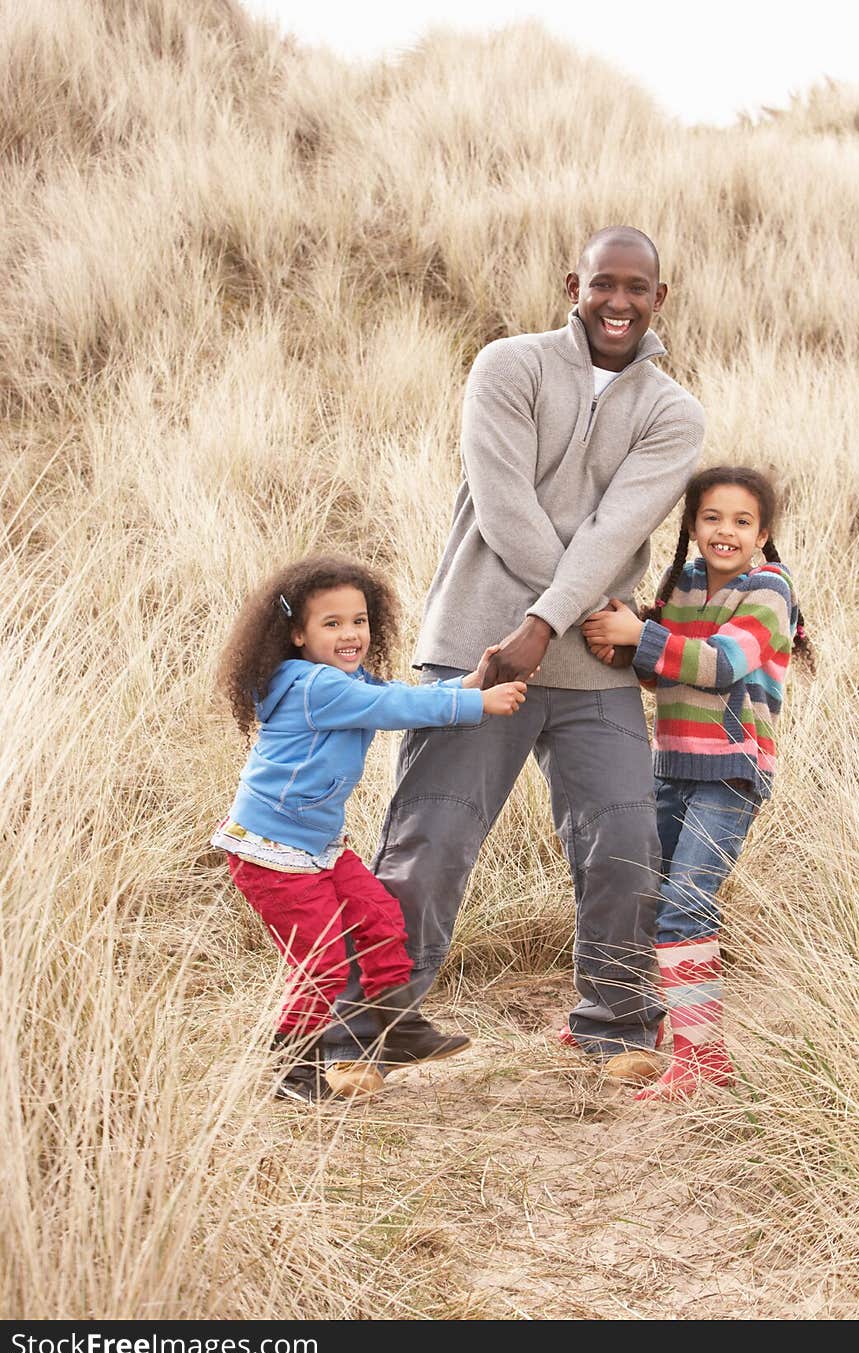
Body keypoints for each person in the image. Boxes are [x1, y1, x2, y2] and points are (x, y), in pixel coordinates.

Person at [322, 226, 706, 1097]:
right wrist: (545, 618)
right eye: (603, 284)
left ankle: (615, 1027)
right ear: (575, 285)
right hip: (475, 655)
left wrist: (548, 621)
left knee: (626, 844)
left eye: (636, 288)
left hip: (595, 667)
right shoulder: (508, 366)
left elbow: (617, 534)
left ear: (659, 298)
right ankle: (360, 1034)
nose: (618, 302)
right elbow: (503, 510)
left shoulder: (674, 413)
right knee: (430, 843)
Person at [213, 555, 527, 1105]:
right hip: (271, 852)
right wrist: (477, 702)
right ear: (296, 633)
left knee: (381, 917)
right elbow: (392, 705)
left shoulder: (344, 680)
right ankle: (293, 1069)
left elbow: (398, 696)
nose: (350, 633)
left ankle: (396, 1025)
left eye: (358, 620)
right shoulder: (313, 685)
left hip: (319, 847)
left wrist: (469, 682)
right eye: (331, 624)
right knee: (324, 964)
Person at [583, 466, 812, 1100]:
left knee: (687, 904)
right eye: (711, 518)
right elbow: (659, 674)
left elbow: (721, 664)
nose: (725, 532)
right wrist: (623, 644)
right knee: (644, 889)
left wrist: (641, 636)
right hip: (674, 764)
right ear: (691, 525)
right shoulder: (681, 583)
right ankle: (637, 1025)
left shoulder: (769, 588)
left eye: (741, 521)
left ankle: (703, 1058)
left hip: (733, 770)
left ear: (763, 533)